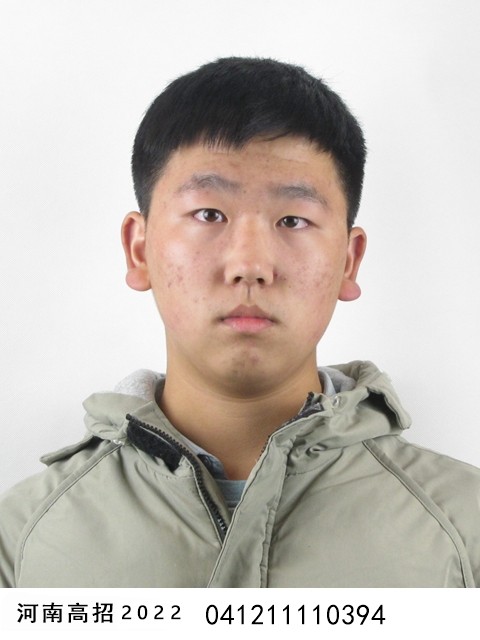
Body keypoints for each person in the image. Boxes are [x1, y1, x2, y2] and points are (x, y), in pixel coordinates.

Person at [1, 57, 479, 588]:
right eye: (209, 214)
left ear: (349, 259)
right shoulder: (21, 539)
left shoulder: (464, 528)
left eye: (293, 219)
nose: (250, 264)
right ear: (139, 249)